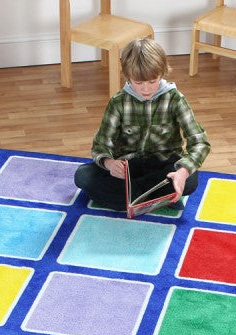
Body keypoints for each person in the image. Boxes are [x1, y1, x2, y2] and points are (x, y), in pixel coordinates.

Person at [74, 37, 210, 211]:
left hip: (163, 166)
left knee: (190, 180)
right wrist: (109, 163)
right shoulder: (118, 102)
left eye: (152, 81)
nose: (146, 89)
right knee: (83, 176)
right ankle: (155, 196)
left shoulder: (175, 99)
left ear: (162, 73)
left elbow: (199, 142)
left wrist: (182, 173)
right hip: (128, 169)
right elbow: (100, 144)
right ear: (128, 76)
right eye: (138, 83)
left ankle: (130, 198)